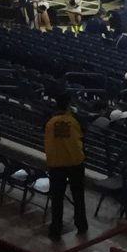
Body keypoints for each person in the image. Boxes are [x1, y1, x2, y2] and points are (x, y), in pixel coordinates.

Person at [43, 92, 88, 240]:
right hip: (74, 163)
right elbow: (82, 137)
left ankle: (56, 229)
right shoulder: (74, 121)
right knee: (78, 196)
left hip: (56, 164)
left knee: (57, 198)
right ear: (69, 104)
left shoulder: (50, 122)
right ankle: (81, 225)